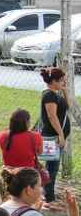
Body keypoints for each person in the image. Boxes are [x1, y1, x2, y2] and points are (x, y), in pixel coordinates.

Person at [38, 67, 70, 205]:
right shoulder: (49, 96)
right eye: (62, 80)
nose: (64, 82)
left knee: (53, 166)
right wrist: (61, 135)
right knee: (52, 166)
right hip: (52, 137)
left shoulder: (56, 94)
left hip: (56, 136)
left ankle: (48, 192)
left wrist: (64, 90)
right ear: (54, 81)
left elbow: (67, 106)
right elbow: (52, 117)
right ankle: (48, 196)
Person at [0, 109, 43, 201]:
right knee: (27, 206)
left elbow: (4, 148)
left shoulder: (3, 135)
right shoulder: (35, 136)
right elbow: (39, 152)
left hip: (7, 175)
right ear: (27, 122)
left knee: (8, 205)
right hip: (27, 177)